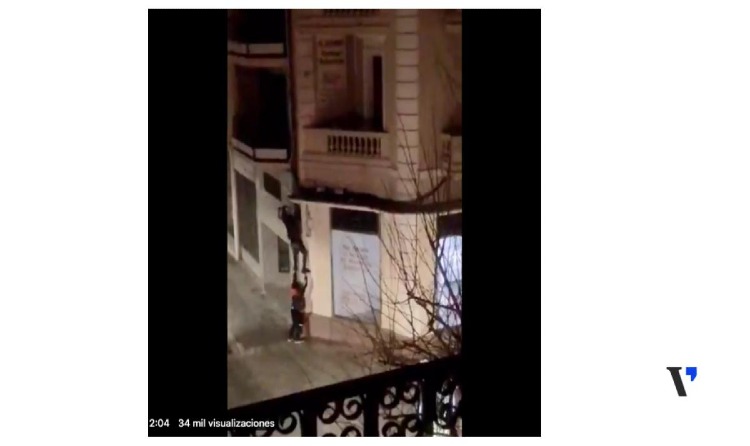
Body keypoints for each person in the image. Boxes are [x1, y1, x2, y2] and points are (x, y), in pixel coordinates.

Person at [278, 205, 309, 273]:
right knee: (304, 252)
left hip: (293, 241)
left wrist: (284, 208)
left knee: (295, 255)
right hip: (296, 241)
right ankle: (302, 268)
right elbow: (296, 217)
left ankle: (295, 268)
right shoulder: (292, 220)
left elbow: (284, 216)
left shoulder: (287, 220)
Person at [288, 272, 308, 343]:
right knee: (298, 324)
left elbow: (303, 288)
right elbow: (303, 288)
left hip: (294, 309)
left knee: (295, 323)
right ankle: (296, 338)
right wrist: (306, 281)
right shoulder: (298, 294)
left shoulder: (294, 291)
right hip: (297, 310)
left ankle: (290, 336)